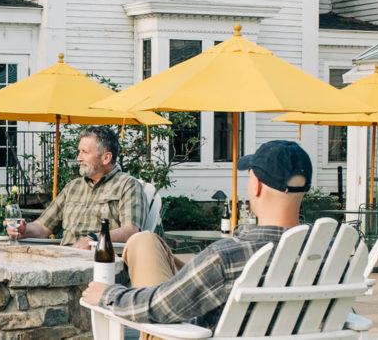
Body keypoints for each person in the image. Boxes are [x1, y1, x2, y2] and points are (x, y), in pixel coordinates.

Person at [82, 140, 313, 330]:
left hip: (182, 331)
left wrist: (109, 295)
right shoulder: (330, 252)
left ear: (257, 187)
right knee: (146, 241)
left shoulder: (229, 257)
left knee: (141, 242)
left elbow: (158, 307)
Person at [7, 126, 144, 249]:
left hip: (101, 259)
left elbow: (131, 230)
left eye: (85, 152)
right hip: (66, 256)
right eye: (79, 152)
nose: (79, 158)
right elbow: (43, 227)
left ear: (106, 158)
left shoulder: (127, 185)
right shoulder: (73, 187)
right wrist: (23, 230)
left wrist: (93, 239)